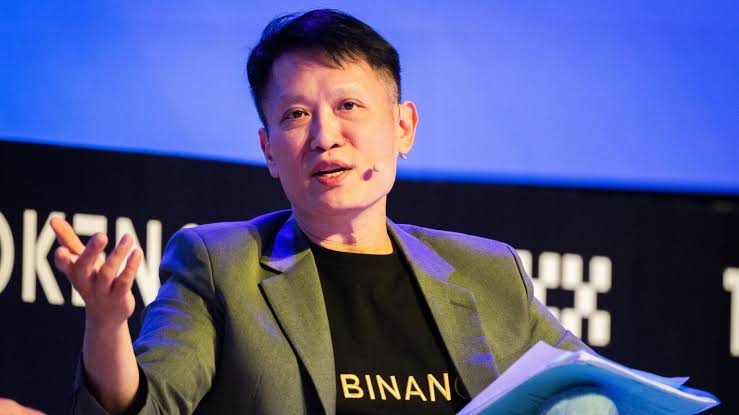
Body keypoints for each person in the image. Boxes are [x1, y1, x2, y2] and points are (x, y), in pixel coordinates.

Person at [51, 9, 611, 415]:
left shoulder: (488, 274)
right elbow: (143, 408)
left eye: (348, 105)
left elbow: (604, 398)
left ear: (403, 127)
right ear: (269, 150)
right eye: (296, 115)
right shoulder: (220, 266)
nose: (325, 135)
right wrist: (106, 322)